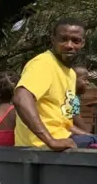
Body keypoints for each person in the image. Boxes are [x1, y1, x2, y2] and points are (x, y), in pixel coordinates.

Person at [12, 19, 85, 150]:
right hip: (40, 146)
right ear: (53, 40)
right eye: (63, 39)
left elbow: (65, 122)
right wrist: (51, 141)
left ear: (82, 43)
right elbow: (21, 98)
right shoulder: (44, 63)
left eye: (75, 41)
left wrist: (89, 136)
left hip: (65, 137)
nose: (69, 45)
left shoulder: (71, 74)